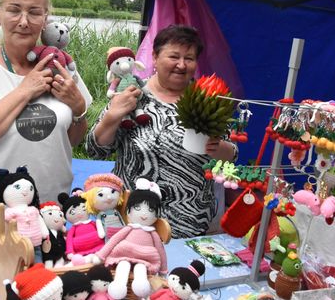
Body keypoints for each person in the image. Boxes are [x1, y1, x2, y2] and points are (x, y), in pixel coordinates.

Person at [0, 0, 92, 269]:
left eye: (34, 12)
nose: (24, 21)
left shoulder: (62, 68)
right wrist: (24, 90)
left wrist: (79, 109)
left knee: (50, 289)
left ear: (46, 20)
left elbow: (72, 139)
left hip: (50, 218)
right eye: (14, 10)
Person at [85, 24, 237, 239]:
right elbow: (95, 150)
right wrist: (112, 117)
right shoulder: (132, 94)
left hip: (188, 220)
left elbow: (231, 156)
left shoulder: (207, 99)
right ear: (155, 57)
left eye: (189, 58)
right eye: (174, 56)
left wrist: (217, 147)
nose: (181, 65)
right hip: (130, 218)